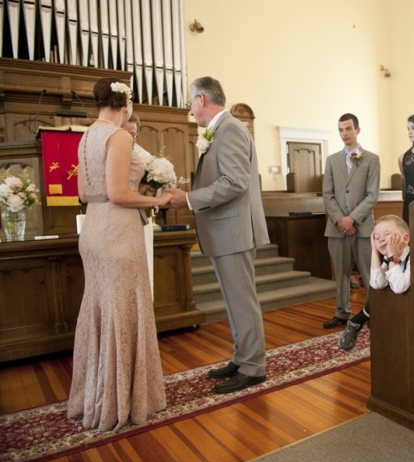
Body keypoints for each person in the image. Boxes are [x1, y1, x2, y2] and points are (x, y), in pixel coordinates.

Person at [67, 78, 172, 431]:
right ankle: (121, 400)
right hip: (117, 232)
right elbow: (118, 194)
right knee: (125, 309)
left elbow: (84, 193)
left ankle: (97, 394)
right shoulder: (120, 135)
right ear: (125, 104)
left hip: (93, 230)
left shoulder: (85, 136)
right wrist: (156, 199)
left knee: (101, 308)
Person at [167, 76, 270, 394]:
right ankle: (242, 357)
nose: (190, 111)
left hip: (233, 229)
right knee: (233, 300)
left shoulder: (230, 129)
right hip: (225, 229)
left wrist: (187, 198)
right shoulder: (221, 130)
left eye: (189, 103)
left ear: (201, 99)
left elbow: (235, 182)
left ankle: (254, 366)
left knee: (242, 300)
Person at [322, 114, 381, 329]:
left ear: (357, 129)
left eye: (348, 128)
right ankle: (342, 312)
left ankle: (371, 312)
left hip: (363, 227)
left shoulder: (372, 159)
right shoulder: (332, 160)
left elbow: (372, 195)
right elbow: (327, 194)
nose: (344, 133)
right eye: (340, 129)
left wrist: (352, 218)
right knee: (342, 272)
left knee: (369, 273)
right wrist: (340, 220)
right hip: (337, 229)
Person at [338, 215, 411, 350]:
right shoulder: (387, 258)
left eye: (387, 234)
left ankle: (357, 321)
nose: (381, 239)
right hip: (395, 312)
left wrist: (391, 258)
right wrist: (374, 250)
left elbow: (399, 287)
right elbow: (377, 284)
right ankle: (357, 322)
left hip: (413, 311)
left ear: (405, 239)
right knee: (379, 289)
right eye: (376, 238)